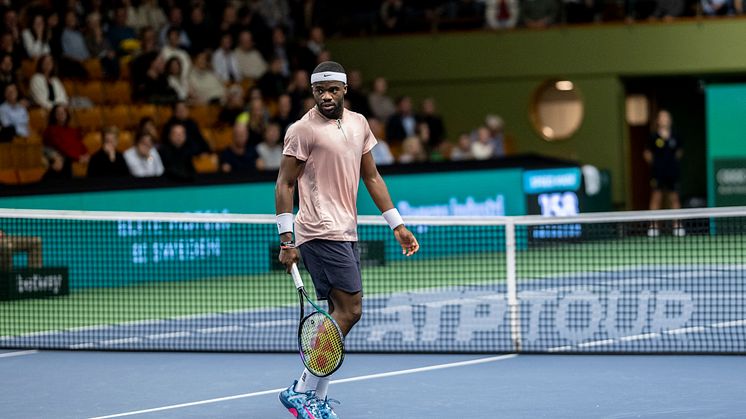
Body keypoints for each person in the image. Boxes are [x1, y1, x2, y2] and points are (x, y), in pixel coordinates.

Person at [275, 61, 419, 419]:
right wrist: (286, 238)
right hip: (319, 232)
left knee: (336, 315)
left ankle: (315, 398)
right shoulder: (301, 130)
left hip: (347, 231)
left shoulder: (359, 124)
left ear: (344, 90)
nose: (326, 96)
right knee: (351, 311)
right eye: (319, 91)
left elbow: (371, 176)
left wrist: (396, 224)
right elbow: (284, 184)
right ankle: (301, 389)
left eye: (332, 90)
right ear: (312, 93)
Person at [644, 109, 685, 237]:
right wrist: (658, 165)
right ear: (658, 121)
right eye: (661, 117)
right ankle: (654, 227)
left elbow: (679, 153)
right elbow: (647, 154)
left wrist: (669, 164)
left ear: (670, 120)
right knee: (656, 198)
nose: (664, 120)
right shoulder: (653, 137)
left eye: (666, 117)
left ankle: (677, 226)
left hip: (672, 173)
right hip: (658, 173)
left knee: (674, 198)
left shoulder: (675, 136)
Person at [43, 104, 88, 178]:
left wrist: (86, 154)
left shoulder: (71, 130)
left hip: (74, 158)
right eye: (58, 113)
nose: (61, 114)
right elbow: (61, 148)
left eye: (63, 112)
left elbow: (79, 144)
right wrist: (78, 157)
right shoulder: (50, 130)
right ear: (54, 115)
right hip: (63, 160)